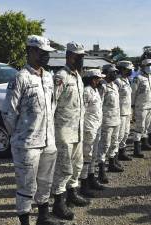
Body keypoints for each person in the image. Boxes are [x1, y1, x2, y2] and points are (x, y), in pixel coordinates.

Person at [2, 35, 59, 225]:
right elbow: (9, 112)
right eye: (42, 53)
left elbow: (52, 106)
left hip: (48, 141)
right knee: (26, 187)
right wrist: (20, 135)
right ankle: (25, 222)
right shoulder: (20, 78)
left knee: (45, 183)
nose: (46, 57)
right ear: (31, 51)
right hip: (27, 144)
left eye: (47, 54)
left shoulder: (49, 77)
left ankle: (43, 218)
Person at [51, 42, 90, 221]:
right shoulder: (61, 76)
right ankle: (58, 203)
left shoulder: (77, 77)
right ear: (69, 56)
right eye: (78, 57)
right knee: (63, 168)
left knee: (77, 164)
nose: (81, 60)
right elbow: (52, 105)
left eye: (82, 57)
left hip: (77, 129)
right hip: (63, 130)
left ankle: (72, 193)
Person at [80, 69, 106, 198]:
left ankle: (91, 178)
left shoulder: (96, 90)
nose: (100, 81)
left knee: (94, 155)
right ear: (93, 79)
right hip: (88, 128)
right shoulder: (86, 91)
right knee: (86, 156)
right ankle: (83, 184)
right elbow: (82, 112)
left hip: (97, 127)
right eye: (98, 78)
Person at [97, 64, 123, 184]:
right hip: (106, 121)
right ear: (106, 73)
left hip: (116, 119)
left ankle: (112, 163)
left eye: (115, 72)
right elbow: (98, 105)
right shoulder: (102, 86)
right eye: (112, 72)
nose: (115, 74)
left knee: (114, 143)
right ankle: (101, 171)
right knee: (104, 146)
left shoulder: (115, 85)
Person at [131, 59, 151, 157]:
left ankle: (145, 144)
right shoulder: (138, 78)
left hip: (149, 106)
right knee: (139, 127)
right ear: (143, 66)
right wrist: (132, 106)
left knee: (146, 126)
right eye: (148, 65)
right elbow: (133, 93)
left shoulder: (150, 77)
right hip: (140, 106)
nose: (150, 66)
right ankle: (136, 149)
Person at [115, 60, 134, 161]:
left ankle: (122, 152)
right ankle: (114, 156)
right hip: (120, 113)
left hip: (127, 111)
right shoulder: (117, 81)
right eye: (128, 70)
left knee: (126, 134)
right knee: (119, 135)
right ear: (122, 69)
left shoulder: (126, 80)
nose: (130, 72)